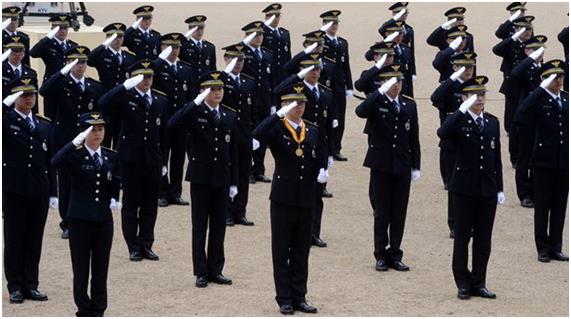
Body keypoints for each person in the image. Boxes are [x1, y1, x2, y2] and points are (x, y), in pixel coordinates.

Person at [253, 83, 328, 315]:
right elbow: (255, 137)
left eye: (302, 103)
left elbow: (320, 154)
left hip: (306, 198)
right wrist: (276, 115)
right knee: (281, 249)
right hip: (283, 198)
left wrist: (324, 169)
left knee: (301, 250)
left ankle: (300, 296)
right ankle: (284, 298)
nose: (299, 108)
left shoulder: (312, 130)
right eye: (293, 104)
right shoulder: (277, 129)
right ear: (285, 106)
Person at [168, 71, 238, 288]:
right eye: (212, 89)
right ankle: (200, 271)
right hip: (200, 177)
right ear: (203, 92)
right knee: (200, 226)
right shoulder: (194, 113)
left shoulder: (229, 115)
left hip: (221, 177)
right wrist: (194, 102)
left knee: (219, 226)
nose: (217, 93)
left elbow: (233, 151)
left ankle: (216, 269)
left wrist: (234, 181)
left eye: (220, 89)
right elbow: (172, 124)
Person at [437, 75, 504, 300]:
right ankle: (462, 282)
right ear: (464, 98)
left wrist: (500, 188)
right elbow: (443, 132)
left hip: (487, 189)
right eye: (474, 95)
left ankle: (479, 281)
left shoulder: (492, 122)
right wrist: (461, 111)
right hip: (464, 189)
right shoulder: (458, 121)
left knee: (484, 239)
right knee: (463, 238)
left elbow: (497, 160)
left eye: (482, 94)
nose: (479, 99)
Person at [51, 112, 120, 317]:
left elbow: (114, 179)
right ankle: (83, 308)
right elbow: (55, 162)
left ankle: (99, 308)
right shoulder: (75, 155)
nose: (98, 133)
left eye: (100, 129)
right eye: (93, 129)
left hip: (103, 221)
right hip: (80, 219)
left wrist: (115, 197)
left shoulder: (109, 156)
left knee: (100, 269)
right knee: (81, 269)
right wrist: (74, 143)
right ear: (84, 132)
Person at [98, 60, 168, 262]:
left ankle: (146, 244)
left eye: (149, 76)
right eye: (142, 77)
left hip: (153, 160)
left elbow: (163, 134)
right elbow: (103, 103)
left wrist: (163, 161)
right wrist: (124, 85)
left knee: (149, 205)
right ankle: (133, 246)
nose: (146, 80)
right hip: (131, 159)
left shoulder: (160, 100)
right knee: (131, 204)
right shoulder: (125, 98)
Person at [355, 64, 420, 273]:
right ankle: (380, 254)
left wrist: (416, 165)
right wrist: (378, 92)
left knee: (399, 212)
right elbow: (360, 111)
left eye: (399, 82)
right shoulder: (377, 102)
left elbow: (414, 138)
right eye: (391, 82)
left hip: (402, 164)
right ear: (383, 83)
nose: (396, 86)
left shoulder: (408, 105)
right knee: (382, 212)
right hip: (381, 164)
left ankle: (396, 253)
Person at [39, 46, 103, 239]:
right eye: (75, 62)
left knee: (87, 179)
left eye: (82, 62)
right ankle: (67, 221)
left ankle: (85, 216)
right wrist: (62, 72)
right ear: (68, 63)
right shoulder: (61, 83)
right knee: (66, 182)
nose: (80, 66)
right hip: (65, 138)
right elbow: (44, 90)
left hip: (87, 140)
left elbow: (99, 112)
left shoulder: (93, 86)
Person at [274, 53, 336, 247]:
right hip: (298, 144)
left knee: (317, 194)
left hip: (319, 145)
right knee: (301, 191)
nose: (315, 73)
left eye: (317, 69)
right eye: (311, 70)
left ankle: (314, 232)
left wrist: (330, 153)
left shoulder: (325, 93)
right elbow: (278, 90)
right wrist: (299, 75)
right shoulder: (296, 91)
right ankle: (302, 232)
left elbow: (328, 126)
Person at [2, 77, 55, 304]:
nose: (29, 98)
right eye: (24, 95)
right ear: (15, 98)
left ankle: (31, 284)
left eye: (31, 94)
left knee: (34, 238)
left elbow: (49, 160)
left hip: (38, 189)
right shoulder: (6, 121)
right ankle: (14, 285)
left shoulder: (44, 124)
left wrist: (54, 191)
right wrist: (5, 103)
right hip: (14, 189)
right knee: (14, 239)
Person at [514, 61, 568, 263]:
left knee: (560, 206)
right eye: (554, 78)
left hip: (563, 161)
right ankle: (542, 247)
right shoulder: (536, 100)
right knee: (543, 206)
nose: (559, 81)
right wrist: (540, 89)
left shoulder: (566, 99)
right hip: (543, 161)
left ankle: (556, 246)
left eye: (561, 77)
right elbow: (521, 114)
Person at [430, 51, 476, 238]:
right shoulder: (448, 87)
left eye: (471, 66)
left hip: (471, 141)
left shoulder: (474, 88)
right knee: (454, 185)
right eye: (463, 67)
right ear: (455, 67)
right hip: (452, 142)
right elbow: (435, 98)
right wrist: (452, 78)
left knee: (472, 184)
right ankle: (455, 223)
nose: (468, 70)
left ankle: (470, 222)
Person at [153, 33, 197, 207]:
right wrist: (159, 59)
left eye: (177, 47)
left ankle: (175, 192)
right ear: (162, 48)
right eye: (170, 47)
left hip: (180, 122)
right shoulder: (157, 67)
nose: (174, 51)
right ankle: (162, 191)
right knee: (162, 157)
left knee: (178, 158)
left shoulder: (185, 68)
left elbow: (190, 95)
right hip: (163, 120)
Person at [221, 43, 257, 227]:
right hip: (227, 135)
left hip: (244, 134)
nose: (238, 63)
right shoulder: (220, 81)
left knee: (243, 173)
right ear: (226, 60)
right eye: (234, 59)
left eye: (241, 59)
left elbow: (254, 110)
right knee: (228, 173)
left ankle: (240, 211)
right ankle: (226, 211)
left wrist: (255, 135)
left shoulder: (248, 81)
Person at [492, 15, 534, 166]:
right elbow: (497, 49)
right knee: (514, 122)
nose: (528, 32)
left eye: (529, 29)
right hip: (514, 87)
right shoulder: (511, 43)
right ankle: (515, 156)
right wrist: (513, 38)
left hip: (530, 87)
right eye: (524, 29)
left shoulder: (534, 44)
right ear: (516, 30)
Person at [510, 36, 547, 209]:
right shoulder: (524, 67)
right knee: (525, 157)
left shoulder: (546, 69)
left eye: (540, 49)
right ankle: (524, 193)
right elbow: (515, 74)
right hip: (526, 118)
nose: (539, 53)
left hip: (542, 118)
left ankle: (536, 190)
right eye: (534, 49)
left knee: (539, 155)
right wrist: (531, 58)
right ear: (526, 51)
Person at [87, 22, 137, 149]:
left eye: (120, 37)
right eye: (114, 37)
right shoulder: (102, 55)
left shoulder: (129, 57)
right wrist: (104, 45)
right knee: (105, 138)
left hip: (123, 101)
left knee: (121, 138)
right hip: (106, 100)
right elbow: (90, 60)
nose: (118, 40)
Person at [241, 20, 275, 183]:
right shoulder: (242, 54)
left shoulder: (267, 54)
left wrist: (273, 102)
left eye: (261, 34)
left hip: (264, 100)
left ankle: (259, 169)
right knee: (249, 134)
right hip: (249, 100)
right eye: (255, 35)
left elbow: (271, 79)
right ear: (247, 36)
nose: (259, 37)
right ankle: (247, 170)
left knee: (263, 134)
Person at [29, 13, 78, 119]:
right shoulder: (47, 45)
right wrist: (48, 37)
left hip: (68, 87)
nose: (62, 31)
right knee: (51, 119)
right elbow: (33, 53)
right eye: (59, 28)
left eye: (65, 28)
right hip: (52, 87)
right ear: (52, 29)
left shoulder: (73, 46)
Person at [320, 10, 353, 162]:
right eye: (330, 23)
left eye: (335, 23)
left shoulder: (342, 43)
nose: (333, 26)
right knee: (326, 118)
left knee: (340, 118)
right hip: (325, 86)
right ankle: (326, 147)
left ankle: (337, 148)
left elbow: (346, 66)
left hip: (339, 86)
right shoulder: (320, 42)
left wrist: (349, 86)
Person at [378, 19, 415, 96]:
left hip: (402, 89)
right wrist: (386, 42)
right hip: (388, 90)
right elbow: (368, 56)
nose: (399, 37)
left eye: (401, 34)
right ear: (388, 34)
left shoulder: (406, 49)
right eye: (395, 34)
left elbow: (408, 75)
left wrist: (410, 95)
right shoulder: (382, 49)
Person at [2, 35, 38, 114]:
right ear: (5, 52)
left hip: (24, 112)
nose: (17, 54)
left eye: (20, 51)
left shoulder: (31, 73)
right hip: (5, 112)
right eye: (13, 51)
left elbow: (34, 97)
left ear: (24, 53)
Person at [261, 3, 292, 85]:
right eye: (272, 16)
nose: (275, 19)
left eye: (277, 16)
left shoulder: (285, 33)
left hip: (282, 74)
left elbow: (288, 55)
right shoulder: (262, 33)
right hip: (269, 74)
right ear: (266, 17)